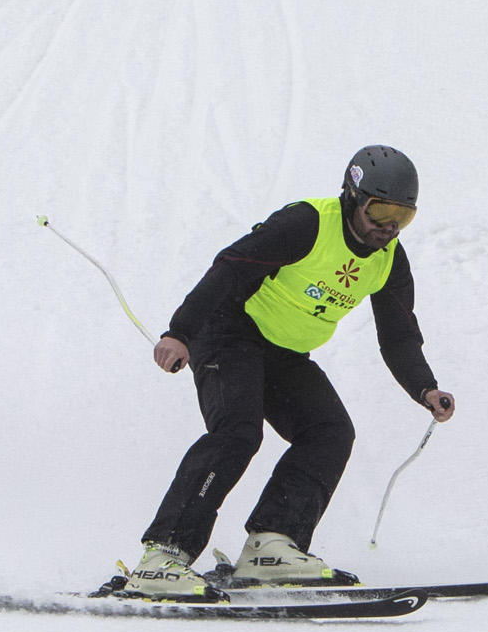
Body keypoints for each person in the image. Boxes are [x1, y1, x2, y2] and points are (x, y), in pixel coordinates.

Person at [121, 145, 455, 598]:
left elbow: (397, 333)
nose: (389, 226)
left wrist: (425, 387)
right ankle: (163, 556)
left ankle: (271, 545)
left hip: (284, 353)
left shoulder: (389, 259)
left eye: (403, 216)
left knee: (329, 431)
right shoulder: (308, 223)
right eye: (381, 210)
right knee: (238, 432)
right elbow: (231, 268)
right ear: (353, 197)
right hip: (228, 332)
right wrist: (180, 332)